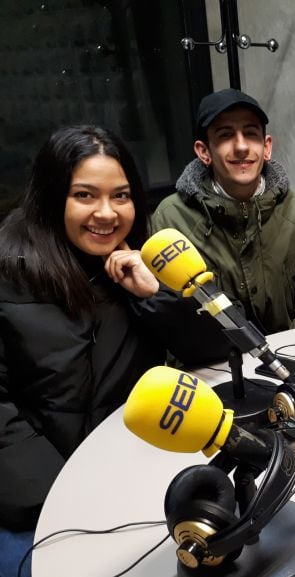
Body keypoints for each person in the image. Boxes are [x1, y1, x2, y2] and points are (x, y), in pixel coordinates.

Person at [0, 125, 167, 577]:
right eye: (85, 196)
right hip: (35, 500)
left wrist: (157, 295)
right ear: (54, 198)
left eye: (122, 196)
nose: (107, 214)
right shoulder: (9, 270)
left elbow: (211, 352)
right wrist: (67, 492)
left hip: (127, 482)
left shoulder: (140, 262)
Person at [151, 88, 295, 335]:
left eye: (250, 134)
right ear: (204, 151)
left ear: (267, 147)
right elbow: (174, 316)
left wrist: (288, 360)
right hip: (214, 365)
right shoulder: (172, 218)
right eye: (226, 135)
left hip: (290, 356)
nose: (241, 146)